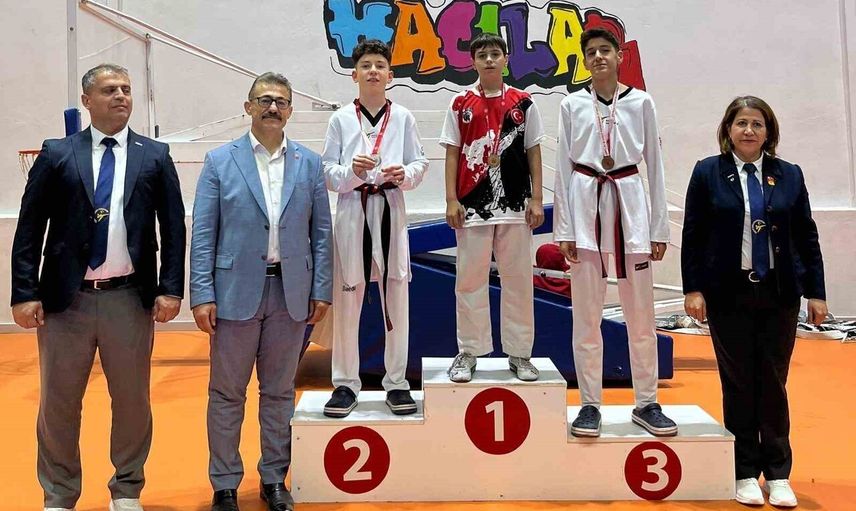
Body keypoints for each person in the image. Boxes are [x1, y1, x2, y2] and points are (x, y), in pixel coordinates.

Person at [10, 63, 186, 511]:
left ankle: (126, 490)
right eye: (110, 90)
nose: (121, 96)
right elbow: (29, 227)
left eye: (126, 89)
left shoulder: (154, 155)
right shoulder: (57, 154)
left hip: (128, 299)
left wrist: (171, 288)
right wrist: (24, 292)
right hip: (65, 303)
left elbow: (173, 228)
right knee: (58, 404)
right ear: (87, 101)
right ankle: (58, 494)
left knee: (131, 402)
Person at [190, 72, 332, 511]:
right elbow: (203, 233)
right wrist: (201, 293)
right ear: (248, 106)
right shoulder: (220, 161)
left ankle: (274, 479)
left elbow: (321, 233)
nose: (273, 107)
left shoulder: (309, 163)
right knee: (226, 394)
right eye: (265, 100)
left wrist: (321, 287)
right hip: (233, 294)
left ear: (290, 110)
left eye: (281, 101)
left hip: (291, 294)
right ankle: (225, 485)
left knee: (279, 392)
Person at [682, 96, 827, 508]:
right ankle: (744, 469)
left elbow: (806, 235)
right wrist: (694, 288)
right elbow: (693, 234)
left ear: (769, 132)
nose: (749, 130)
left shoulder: (789, 174)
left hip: (779, 294)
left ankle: (778, 473)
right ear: (728, 130)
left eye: (757, 124)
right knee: (739, 382)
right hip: (728, 293)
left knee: (773, 382)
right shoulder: (708, 172)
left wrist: (816, 292)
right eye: (741, 123)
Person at [553, 28, 677, 438]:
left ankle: (647, 401)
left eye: (605, 50)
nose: (599, 57)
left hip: (629, 204)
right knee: (586, 316)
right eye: (591, 52)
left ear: (619, 55)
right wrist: (565, 228)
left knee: (640, 315)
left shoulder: (641, 102)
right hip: (585, 205)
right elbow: (563, 167)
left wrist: (658, 226)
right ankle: (589, 404)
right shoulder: (572, 104)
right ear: (584, 60)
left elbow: (655, 164)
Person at [321, 39, 429, 418]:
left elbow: (420, 163)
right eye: (366, 65)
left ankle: (396, 383)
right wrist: (352, 172)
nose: (372, 71)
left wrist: (405, 174)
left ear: (390, 75)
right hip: (352, 209)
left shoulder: (403, 117)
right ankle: (345, 383)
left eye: (379, 65)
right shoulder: (340, 119)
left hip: (390, 208)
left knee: (395, 296)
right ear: (354, 74)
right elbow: (327, 173)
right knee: (348, 298)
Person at [439, 32, 546, 383]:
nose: (489, 60)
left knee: (518, 281)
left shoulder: (524, 102)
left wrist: (536, 198)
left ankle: (520, 353)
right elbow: (452, 152)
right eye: (482, 55)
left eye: (495, 54)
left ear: (506, 59)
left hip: (515, 205)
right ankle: (469, 351)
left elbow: (533, 151)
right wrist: (451, 199)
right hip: (472, 206)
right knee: (470, 281)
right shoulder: (460, 103)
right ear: (472, 61)